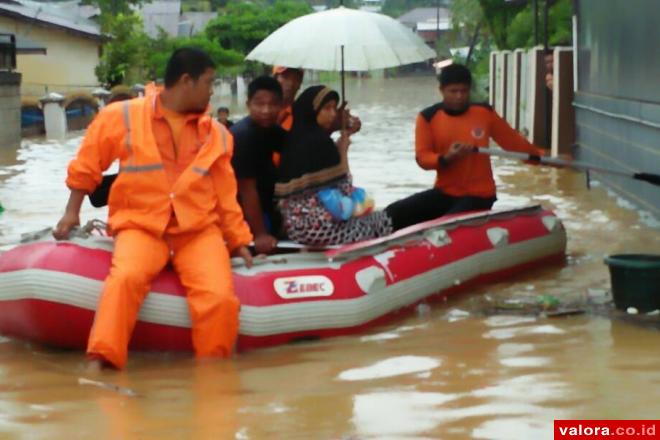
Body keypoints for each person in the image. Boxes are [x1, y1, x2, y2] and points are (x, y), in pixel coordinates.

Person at [53, 48, 253, 370]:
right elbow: (88, 165)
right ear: (186, 81)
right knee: (125, 279)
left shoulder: (216, 133)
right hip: (141, 225)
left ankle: (215, 377)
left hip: (197, 232)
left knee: (219, 298)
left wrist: (239, 240)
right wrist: (71, 212)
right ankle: (102, 363)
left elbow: (225, 195)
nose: (212, 91)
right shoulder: (123, 116)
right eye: (209, 82)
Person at [385, 64, 546, 230]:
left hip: (480, 195)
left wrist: (543, 158)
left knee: (445, 227)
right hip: (444, 192)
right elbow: (423, 158)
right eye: (453, 91)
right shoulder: (427, 117)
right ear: (441, 90)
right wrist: (447, 157)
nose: (459, 96)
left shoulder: (484, 113)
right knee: (393, 213)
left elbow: (514, 144)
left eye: (464, 91)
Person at [275, 85, 394, 246]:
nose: (333, 114)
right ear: (313, 111)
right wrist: (343, 152)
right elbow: (346, 190)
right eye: (327, 108)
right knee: (387, 219)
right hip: (323, 229)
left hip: (295, 229)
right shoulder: (320, 142)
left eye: (334, 108)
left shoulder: (292, 139)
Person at [231, 76, 287, 255]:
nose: (266, 110)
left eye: (272, 104)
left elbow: (299, 147)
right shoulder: (243, 136)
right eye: (259, 104)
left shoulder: (271, 129)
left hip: (267, 202)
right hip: (243, 212)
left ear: (281, 106)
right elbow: (247, 189)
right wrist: (260, 234)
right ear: (248, 104)